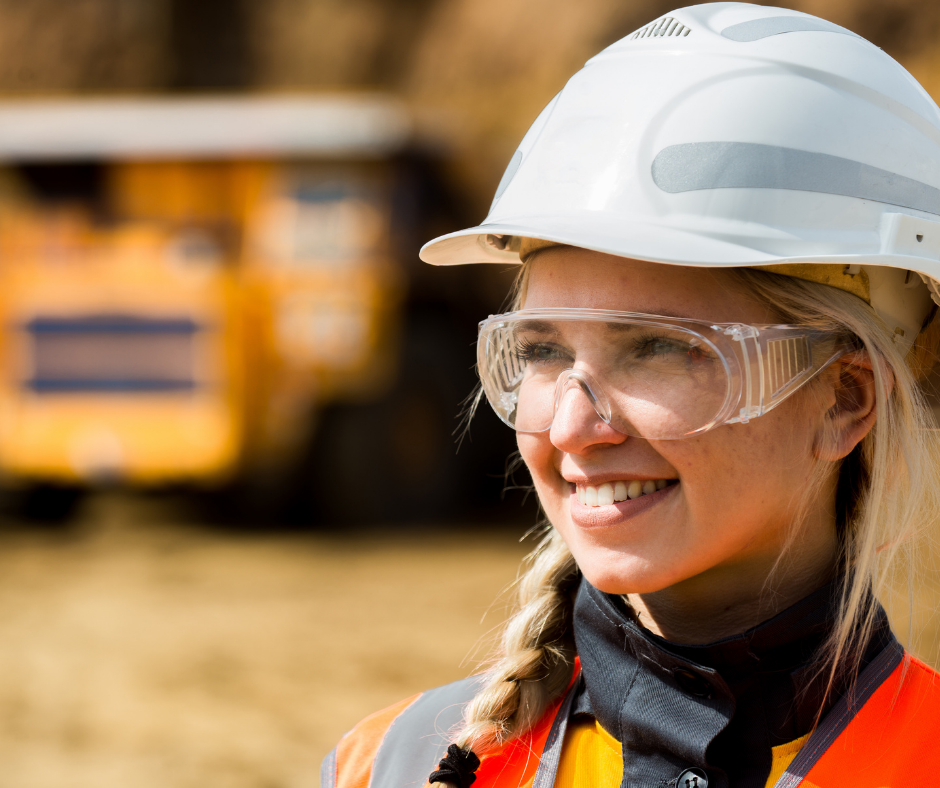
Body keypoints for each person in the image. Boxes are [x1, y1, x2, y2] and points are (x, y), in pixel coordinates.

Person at [321, 4, 940, 787]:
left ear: (846, 398)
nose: (574, 426)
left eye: (661, 350)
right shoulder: (390, 765)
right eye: (542, 350)